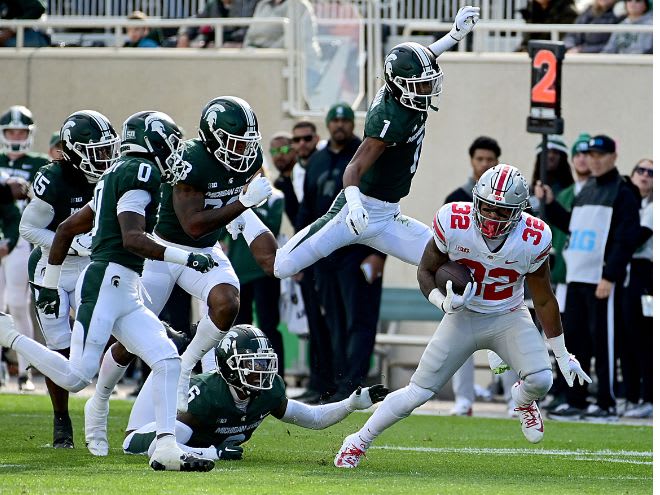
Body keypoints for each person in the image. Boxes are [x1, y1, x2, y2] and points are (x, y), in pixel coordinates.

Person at [0, 110, 217, 472]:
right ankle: (10, 335)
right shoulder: (139, 171)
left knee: (167, 358)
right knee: (76, 377)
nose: (177, 152)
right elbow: (133, 238)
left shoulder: (116, 172)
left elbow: (68, 228)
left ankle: (166, 445)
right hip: (107, 280)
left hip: (123, 284)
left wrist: (51, 283)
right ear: (154, 142)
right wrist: (187, 258)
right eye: (172, 144)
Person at [334, 164, 591, 468]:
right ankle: (357, 441)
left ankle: (522, 402)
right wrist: (443, 304)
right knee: (418, 392)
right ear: (475, 200)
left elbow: (545, 298)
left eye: (502, 211)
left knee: (542, 380)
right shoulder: (454, 220)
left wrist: (562, 353)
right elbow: (426, 270)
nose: (493, 217)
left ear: (519, 212)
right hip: (463, 316)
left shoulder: (533, 237)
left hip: (508, 314)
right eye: (488, 208)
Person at [237, 7, 481, 285]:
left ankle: (453, 313)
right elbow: (352, 168)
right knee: (280, 266)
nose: (426, 90)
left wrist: (454, 35)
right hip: (354, 210)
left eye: (427, 84)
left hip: (387, 215)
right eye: (420, 86)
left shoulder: (402, 88)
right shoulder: (390, 119)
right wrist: (354, 206)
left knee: (450, 263)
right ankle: (242, 212)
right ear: (400, 86)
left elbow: (421, 59)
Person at [85, 96, 274, 438]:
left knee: (227, 302)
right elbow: (193, 225)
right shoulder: (191, 158)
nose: (242, 151)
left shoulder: (250, 158)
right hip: (163, 249)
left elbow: (231, 203)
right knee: (132, 341)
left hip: (205, 250)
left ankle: (186, 365)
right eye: (234, 142)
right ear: (211, 137)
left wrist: (248, 221)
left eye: (247, 143)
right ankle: (99, 398)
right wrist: (245, 203)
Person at [123, 324, 389, 459]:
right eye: (252, 365)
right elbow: (159, 447)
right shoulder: (208, 396)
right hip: (145, 431)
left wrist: (350, 404)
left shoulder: (268, 393)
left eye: (265, 364)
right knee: (171, 365)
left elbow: (313, 418)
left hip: (202, 407)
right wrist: (213, 454)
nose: (262, 373)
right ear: (230, 367)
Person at [537, 135, 640, 420]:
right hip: (577, 277)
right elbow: (574, 226)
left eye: (599, 154)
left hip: (600, 280)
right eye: (590, 154)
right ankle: (577, 400)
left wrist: (610, 275)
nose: (594, 160)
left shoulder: (622, 191)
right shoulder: (587, 189)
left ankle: (606, 403)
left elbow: (625, 238)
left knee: (603, 343)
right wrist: (551, 204)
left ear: (613, 157)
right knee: (577, 342)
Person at [18, 114, 101, 449]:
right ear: (74, 151)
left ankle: (100, 407)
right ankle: (61, 419)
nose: (102, 156)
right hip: (51, 267)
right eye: (94, 149)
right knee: (58, 345)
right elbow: (28, 228)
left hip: (90, 265)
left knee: (99, 331)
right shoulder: (54, 177)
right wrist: (69, 242)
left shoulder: (111, 175)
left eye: (106, 148)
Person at [299, 103, 385, 402]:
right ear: (327, 124)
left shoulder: (364, 155)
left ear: (352, 124)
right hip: (326, 257)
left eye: (344, 120)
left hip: (358, 254)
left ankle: (354, 383)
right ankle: (337, 385)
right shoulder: (317, 161)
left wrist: (379, 255)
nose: (339, 125)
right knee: (332, 324)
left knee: (359, 321)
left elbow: (382, 206)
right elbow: (307, 211)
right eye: (334, 120)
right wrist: (301, 253)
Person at [443, 136, 520, 417]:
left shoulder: (513, 202)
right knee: (459, 344)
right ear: (472, 161)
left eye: (490, 159)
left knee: (510, 345)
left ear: (497, 162)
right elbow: (446, 246)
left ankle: (515, 401)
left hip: (500, 284)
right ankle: (464, 399)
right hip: (467, 284)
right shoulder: (456, 198)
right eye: (480, 159)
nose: (485, 164)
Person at [0, 105, 49, 391]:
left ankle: (25, 371)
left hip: (21, 240)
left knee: (19, 305)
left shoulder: (38, 163)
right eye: (11, 130)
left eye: (21, 130)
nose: (16, 135)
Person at [542, 133, 591, 411]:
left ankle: (574, 391)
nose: (583, 159)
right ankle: (560, 387)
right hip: (562, 273)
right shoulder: (565, 194)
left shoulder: (593, 192)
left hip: (584, 273)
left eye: (588, 154)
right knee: (559, 333)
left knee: (578, 334)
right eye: (579, 154)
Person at [226, 164, 285, 377]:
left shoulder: (275, 196)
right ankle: (243, 374)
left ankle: (278, 376)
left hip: (264, 270)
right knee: (241, 327)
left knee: (269, 324)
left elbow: (272, 228)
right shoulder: (234, 195)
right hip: (238, 270)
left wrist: (249, 204)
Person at [619, 159, 652, 418]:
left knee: (644, 336)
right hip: (626, 274)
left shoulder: (652, 207)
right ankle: (630, 396)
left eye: (651, 173)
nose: (645, 175)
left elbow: (635, 238)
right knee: (626, 337)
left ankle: (648, 396)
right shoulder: (629, 203)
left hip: (645, 275)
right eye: (640, 170)